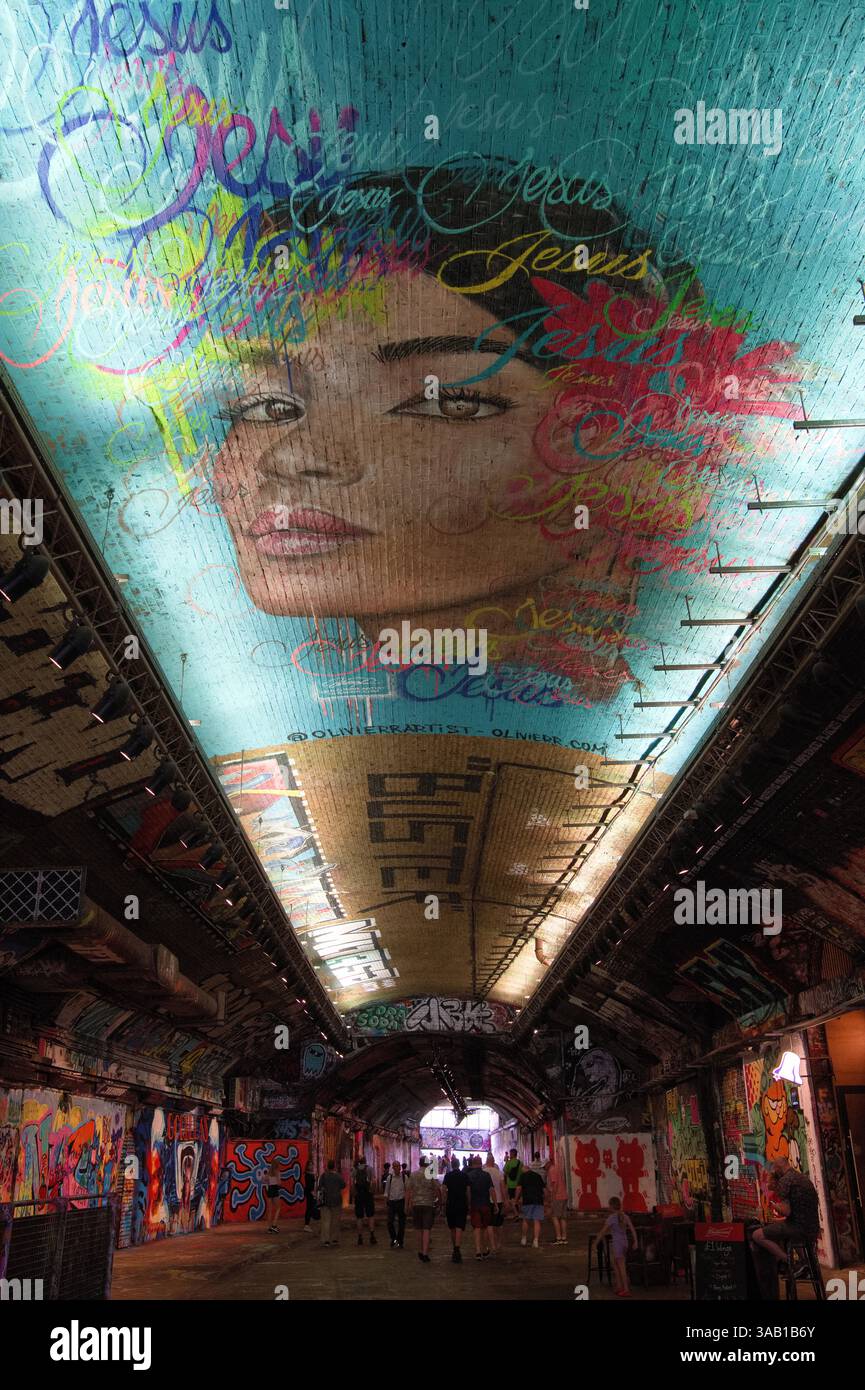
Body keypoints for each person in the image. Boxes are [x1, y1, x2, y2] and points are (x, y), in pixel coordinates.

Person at [751, 1156, 820, 1278]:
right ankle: (806, 1264)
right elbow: (798, 1212)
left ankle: (791, 1263)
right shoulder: (802, 1177)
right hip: (812, 1228)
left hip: (799, 1230)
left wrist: (774, 1206)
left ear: (778, 1168)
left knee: (757, 1235)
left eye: (774, 1169)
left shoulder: (785, 1181)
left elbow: (786, 1212)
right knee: (786, 1233)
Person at [597, 1196, 637, 1297]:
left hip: (617, 1244)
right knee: (616, 1264)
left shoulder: (612, 1218)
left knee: (621, 1267)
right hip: (625, 1243)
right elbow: (632, 1229)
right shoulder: (625, 1216)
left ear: (611, 1206)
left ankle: (626, 1289)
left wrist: (595, 1242)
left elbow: (603, 1231)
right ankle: (619, 1286)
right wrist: (635, 1241)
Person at [406, 1155, 441, 1263]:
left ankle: (420, 1250)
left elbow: (408, 1190)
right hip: (428, 1204)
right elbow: (437, 1189)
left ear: (419, 1163)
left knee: (418, 1229)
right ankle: (425, 1253)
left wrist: (407, 1205)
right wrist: (440, 1201)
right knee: (426, 1229)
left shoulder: (413, 1175)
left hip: (416, 1204)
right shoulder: (431, 1174)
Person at [466, 1154, 495, 1260]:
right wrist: (495, 1203)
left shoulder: (469, 1175)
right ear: (481, 1163)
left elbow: (468, 1191)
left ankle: (478, 1251)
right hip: (486, 1204)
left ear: (473, 1164)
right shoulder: (486, 1175)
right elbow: (491, 1190)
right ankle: (485, 1248)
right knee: (486, 1226)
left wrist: (469, 1203)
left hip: (475, 1204)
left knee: (477, 1228)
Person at [442, 1155, 469, 1263]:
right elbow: (468, 1190)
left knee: (452, 1227)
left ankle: (455, 1248)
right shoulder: (464, 1176)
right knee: (459, 1227)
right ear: (459, 1165)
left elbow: (443, 1189)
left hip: (451, 1203)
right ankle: (457, 1248)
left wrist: (444, 1201)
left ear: (452, 1166)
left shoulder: (448, 1176)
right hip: (462, 1203)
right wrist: (469, 1202)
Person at [517, 1153, 546, 1249]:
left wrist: (516, 1199)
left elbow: (519, 1189)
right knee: (536, 1220)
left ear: (524, 1170)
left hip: (527, 1200)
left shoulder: (523, 1176)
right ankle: (536, 1240)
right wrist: (547, 1199)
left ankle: (524, 1238)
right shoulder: (537, 1176)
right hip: (538, 1200)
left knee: (526, 1219)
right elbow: (544, 1189)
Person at [316, 1159, 346, 1247]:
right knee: (335, 1220)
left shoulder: (323, 1176)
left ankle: (326, 1240)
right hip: (336, 1200)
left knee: (326, 1221)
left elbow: (319, 1187)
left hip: (325, 1201)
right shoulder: (338, 1176)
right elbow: (343, 1185)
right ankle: (334, 1239)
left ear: (327, 1166)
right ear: (334, 1166)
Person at [351, 1154, 377, 1246]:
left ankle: (360, 1237)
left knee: (359, 1217)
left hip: (359, 1194)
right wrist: (372, 1191)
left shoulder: (355, 1170)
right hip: (368, 1194)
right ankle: (372, 1235)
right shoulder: (370, 1168)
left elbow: (352, 1183)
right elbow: (373, 1181)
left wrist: (354, 1194)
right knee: (370, 1215)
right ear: (365, 1161)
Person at [484, 1152, 506, 1253]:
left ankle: (491, 1245)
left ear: (486, 1162)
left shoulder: (483, 1172)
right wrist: (505, 1200)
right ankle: (499, 1243)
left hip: (487, 1201)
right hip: (499, 1200)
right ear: (493, 1162)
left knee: (489, 1224)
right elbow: (502, 1187)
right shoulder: (499, 1172)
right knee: (499, 1224)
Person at [545, 1154, 569, 1245]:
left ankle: (558, 1238)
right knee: (563, 1218)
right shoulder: (557, 1169)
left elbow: (554, 1185)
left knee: (554, 1217)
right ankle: (564, 1237)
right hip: (564, 1195)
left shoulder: (552, 1170)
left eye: (545, 1166)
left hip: (557, 1196)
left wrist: (552, 1197)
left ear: (548, 1164)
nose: (544, 1168)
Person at [385, 1161, 406, 1249]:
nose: (397, 1168)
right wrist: (386, 1201)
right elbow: (386, 1191)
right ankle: (394, 1238)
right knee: (390, 1222)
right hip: (392, 1202)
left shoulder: (405, 1177)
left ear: (400, 1167)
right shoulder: (390, 1178)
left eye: (398, 1166)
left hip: (401, 1201)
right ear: (393, 1168)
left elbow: (408, 1190)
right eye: (395, 1166)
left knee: (402, 1223)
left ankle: (400, 1240)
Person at [263, 1149, 283, 1234]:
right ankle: (274, 1225)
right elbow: (279, 1183)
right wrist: (278, 1182)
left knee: (270, 1210)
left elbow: (264, 1180)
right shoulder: (277, 1172)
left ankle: (269, 1228)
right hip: (275, 1190)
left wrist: (269, 1181)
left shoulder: (269, 1172)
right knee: (278, 1208)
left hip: (269, 1190)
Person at [504, 1148, 524, 1220]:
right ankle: (517, 1211)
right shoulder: (520, 1163)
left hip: (511, 1185)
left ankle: (516, 1214)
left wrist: (506, 1162)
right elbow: (522, 1173)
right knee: (517, 1199)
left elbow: (505, 1171)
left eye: (510, 1153)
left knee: (512, 1199)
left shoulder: (509, 1163)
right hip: (519, 1184)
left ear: (512, 1154)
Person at [303, 1159, 319, 1233]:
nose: (311, 1166)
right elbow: (309, 1185)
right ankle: (306, 1225)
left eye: (312, 1164)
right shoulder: (308, 1174)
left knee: (310, 1207)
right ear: (307, 1166)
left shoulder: (310, 1173)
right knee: (309, 1208)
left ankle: (307, 1224)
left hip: (310, 1192)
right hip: (309, 1192)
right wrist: (313, 1193)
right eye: (310, 1165)